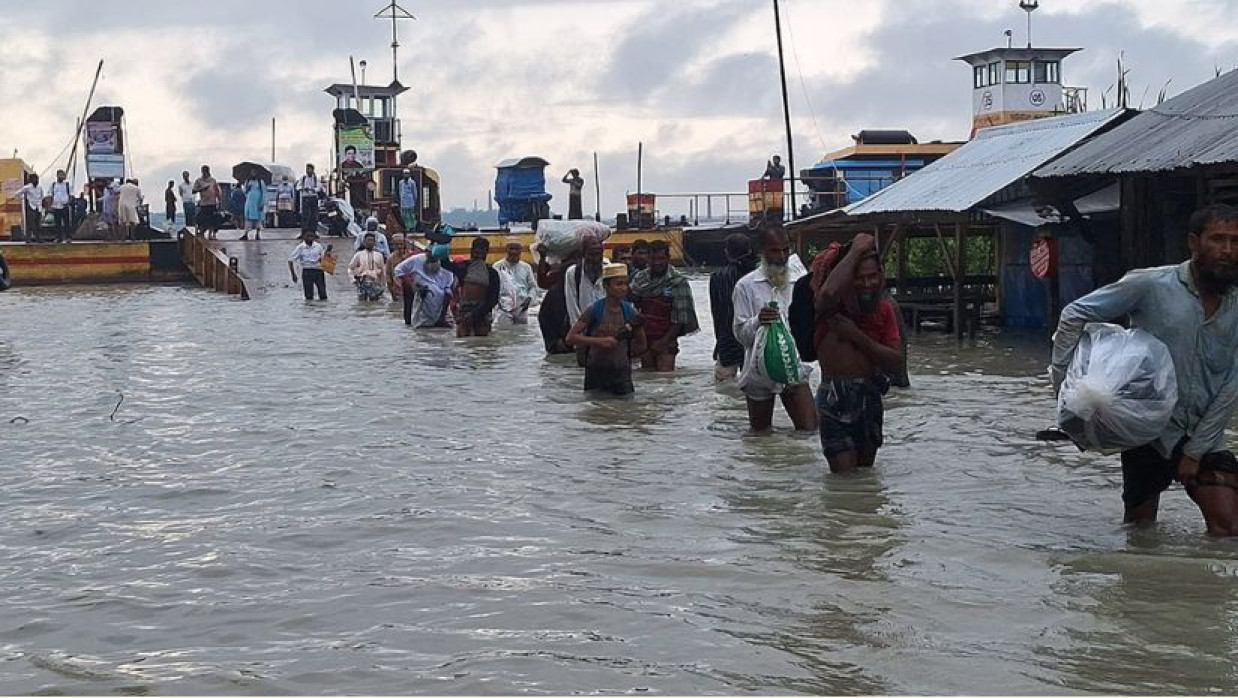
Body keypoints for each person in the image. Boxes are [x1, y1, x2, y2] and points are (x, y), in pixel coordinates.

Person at [1051, 204, 1238, 537]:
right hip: (1145, 430)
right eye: (1218, 240)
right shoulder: (1150, 284)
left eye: (1235, 242)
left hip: (1204, 431)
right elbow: (1075, 314)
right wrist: (1067, 390)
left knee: (1229, 528)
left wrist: (1195, 452)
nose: (1227, 251)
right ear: (1194, 243)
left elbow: (1232, 384)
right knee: (1140, 534)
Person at [813, 233, 904, 473]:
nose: (867, 284)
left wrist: (857, 336)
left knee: (865, 479)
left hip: (870, 396)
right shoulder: (831, 309)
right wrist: (854, 252)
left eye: (872, 277)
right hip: (835, 397)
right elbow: (827, 294)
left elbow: (897, 362)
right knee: (845, 481)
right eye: (859, 278)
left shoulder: (884, 310)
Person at [732, 226, 817, 434]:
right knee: (760, 435)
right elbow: (741, 335)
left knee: (809, 430)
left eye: (786, 250)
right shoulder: (745, 286)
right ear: (761, 251)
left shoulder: (800, 282)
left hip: (793, 366)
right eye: (775, 251)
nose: (781, 256)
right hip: (758, 370)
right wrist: (758, 321)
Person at [567, 263, 648, 397]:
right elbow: (571, 338)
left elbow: (642, 345)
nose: (623, 288)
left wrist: (624, 354)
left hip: (621, 373)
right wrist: (599, 342)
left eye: (625, 284)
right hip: (596, 372)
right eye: (618, 284)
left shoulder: (630, 311)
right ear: (606, 286)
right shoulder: (594, 309)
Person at [629, 240, 699, 372]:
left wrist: (662, 342)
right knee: (647, 380)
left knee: (665, 379)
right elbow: (632, 305)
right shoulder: (640, 278)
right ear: (648, 259)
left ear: (668, 258)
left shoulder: (678, 281)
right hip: (645, 338)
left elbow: (680, 320)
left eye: (661, 258)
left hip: (667, 338)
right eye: (653, 258)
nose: (657, 263)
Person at [710, 233, 758, 381]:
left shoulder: (718, 276)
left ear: (726, 252)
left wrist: (720, 342)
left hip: (728, 339)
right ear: (749, 250)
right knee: (754, 386)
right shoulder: (759, 274)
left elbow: (717, 313)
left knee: (724, 388)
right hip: (755, 338)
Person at [564, 236, 609, 365]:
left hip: (607, 329)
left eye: (598, 254)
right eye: (591, 254)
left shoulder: (609, 268)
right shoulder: (573, 273)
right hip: (583, 332)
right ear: (583, 254)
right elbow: (571, 304)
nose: (595, 259)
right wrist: (579, 336)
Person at [446, 237, 501, 337]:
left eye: (482, 253)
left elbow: (493, 299)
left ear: (486, 253)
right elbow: (446, 265)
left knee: (482, 344)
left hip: (483, 313)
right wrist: (440, 244)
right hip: (464, 312)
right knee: (463, 343)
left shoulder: (491, 273)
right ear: (471, 251)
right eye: (476, 253)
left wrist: (476, 314)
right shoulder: (463, 267)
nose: (479, 256)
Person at [394, 249, 456, 328]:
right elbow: (398, 270)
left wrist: (441, 317)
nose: (432, 263)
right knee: (420, 329)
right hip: (422, 303)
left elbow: (448, 293)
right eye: (430, 259)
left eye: (434, 260)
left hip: (442, 306)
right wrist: (413, 285)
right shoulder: (416, 259)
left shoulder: (448, 266)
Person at [535, 247, 578, 355]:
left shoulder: (589, 287)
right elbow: (544, 317)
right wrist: (554, 340)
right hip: (561, 341)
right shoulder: (555, 292)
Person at [494, 239, 538, 324]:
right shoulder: (497, 266)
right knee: (505, 332)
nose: (514, 252)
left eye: (516, 249)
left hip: (522, 307)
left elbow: (532, 286)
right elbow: (494, 288)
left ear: (520, 250)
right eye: (511, 248)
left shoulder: (526, 267)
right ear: (506, 250)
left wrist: (529, 299)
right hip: (503, 308)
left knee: (521, 333)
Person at [288, 230, 328, 301]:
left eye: (312, 237)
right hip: (307, 271)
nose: (310, 238)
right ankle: (310, 309)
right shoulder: (300, 247)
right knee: (308, 296)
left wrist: (327, 254)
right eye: (308, 237)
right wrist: (293, 274)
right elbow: (291, 260)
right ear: (304, 238)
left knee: (323, 294)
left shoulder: (318, 246)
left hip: (318, 271)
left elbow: (324, 258)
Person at [349, 231, 388, 300]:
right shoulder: (358, 255)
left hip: (375, 283)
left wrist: (383, 285)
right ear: (364, 242)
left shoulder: (379, 255)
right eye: (368, 240)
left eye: (372, 240)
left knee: (375, 304)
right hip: (362, 283)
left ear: (375, 242)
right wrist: (353, 280)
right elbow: (351, 268)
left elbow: (383, 270)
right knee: (362, 303)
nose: (370, 242)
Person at [193, 166, 222, 239]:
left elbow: (217, 190)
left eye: (206, 171)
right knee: (203, 219)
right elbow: (193, 191)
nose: (205, 173)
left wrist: (219, 200)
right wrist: (202, 189)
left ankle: (211, 235)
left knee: (213, 219)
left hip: (212, 202)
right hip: (204, 203)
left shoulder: (213, 180)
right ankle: (202, 232)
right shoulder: (199, 180)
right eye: (203, 171)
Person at [17, 174, 45, 243]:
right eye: (34, 179)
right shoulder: (27, 187)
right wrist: (23, 198)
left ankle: (38, 238)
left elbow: (42, 195)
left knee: (38, 223)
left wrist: (41, 203)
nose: (36, 180)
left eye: (37, 179)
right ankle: (28, 239)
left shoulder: (40, 187)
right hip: (31, 206)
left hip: (38, 207)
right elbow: (17, 193)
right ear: (31, 180)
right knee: (30, 223)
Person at [386, 233, 412, 303]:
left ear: (404, 243)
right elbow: (388, 276)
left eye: (401, 244)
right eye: (397, 244)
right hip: (397, 291)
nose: (399, 246)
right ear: (393, 245)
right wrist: (392, 293)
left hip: (410, 290)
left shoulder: (411, 256)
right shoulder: (390, 258)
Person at [298, 164, 322, 236]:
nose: (308, 171)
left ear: (312, 170)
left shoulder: (316, 179)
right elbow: (297, 187)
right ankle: (304, 233)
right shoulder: (303, 178)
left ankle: (313, 232)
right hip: (305, 198)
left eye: (309, 169)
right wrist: (303, 188)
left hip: (313, 198)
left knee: (313, 216)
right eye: (307, 169)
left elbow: (319, 188)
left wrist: (312, 189)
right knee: (305, 216)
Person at [49, 170, 73, 243]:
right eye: (60, 175)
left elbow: (71, 195)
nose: (62, 176)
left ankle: (68, 237)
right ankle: (59, 237)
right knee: (57, 223)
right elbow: (50, 195)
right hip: (56, 207)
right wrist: (50, 205)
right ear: (57, 175)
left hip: (64, 206)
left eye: (63, 175)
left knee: (66, 223)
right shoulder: (53, 185)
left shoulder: (67, 185)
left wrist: (68, 202)